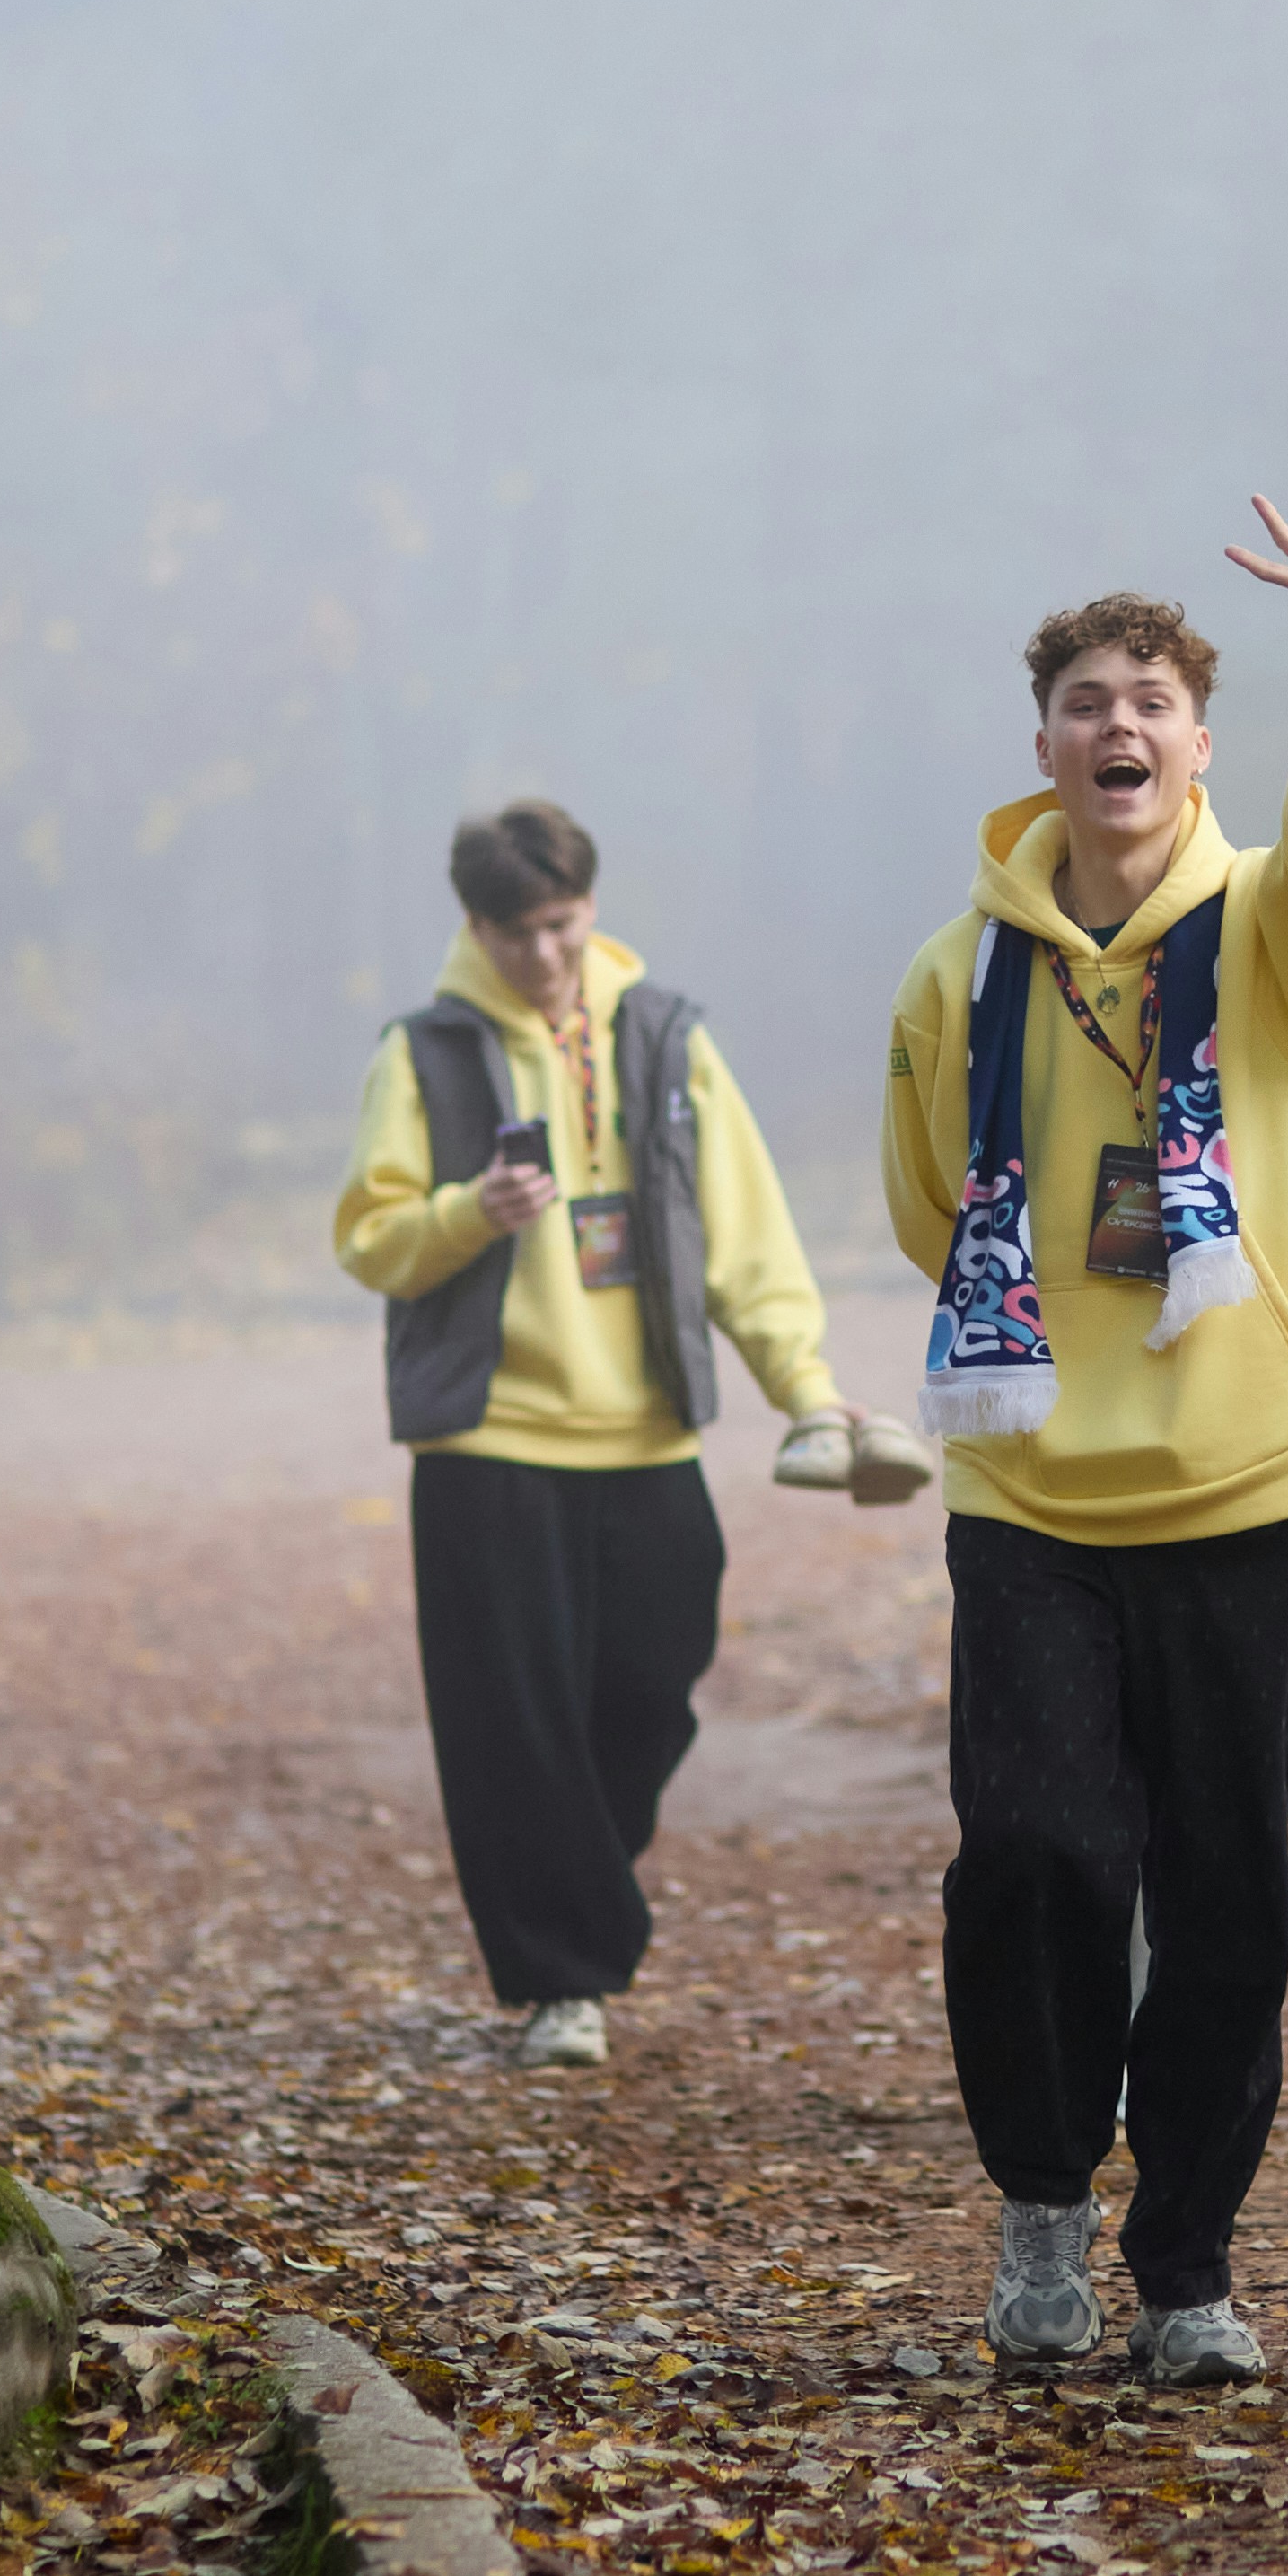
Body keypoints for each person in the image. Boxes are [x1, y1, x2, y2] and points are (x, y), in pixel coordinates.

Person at [881, 501, 1288, 2387]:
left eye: (1158, 700)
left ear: (1199, 742)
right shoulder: (961, 973)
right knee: (1030, 1852)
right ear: (1042, 745)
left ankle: (1187, 2256)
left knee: (1220, 1885)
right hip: (1028, 1489)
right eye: (1089, 700)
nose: (1122, 726)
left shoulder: (1277, 937)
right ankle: (1043, 2197)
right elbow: (927, 1196)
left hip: (1242, 1486)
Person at [337, 798, 933, 2074]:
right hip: (487, 1442)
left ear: (589, 910)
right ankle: (566, 1979)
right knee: (511, 1729)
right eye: (514, 934)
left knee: (652, 1688)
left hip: (649, 1437)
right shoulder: (423, 1053)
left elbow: (746, 1232)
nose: (542, 957)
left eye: (559, 927)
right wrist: (466, 1213)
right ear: (475, 927)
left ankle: (572, 1892)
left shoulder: (665, 1038)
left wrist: (806, 1388)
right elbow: (371, 1237)